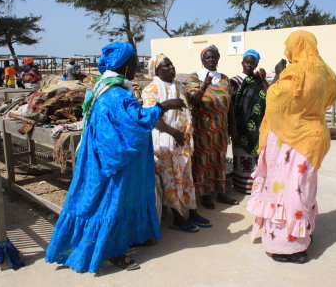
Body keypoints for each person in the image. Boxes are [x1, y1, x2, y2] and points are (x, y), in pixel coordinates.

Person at [45, 42, 185, 273]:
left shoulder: (105, 87)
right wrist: (163, 106)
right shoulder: (117, 94)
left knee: (111, 199)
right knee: (112, 202)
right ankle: (113, 251)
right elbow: (137, 120)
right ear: (125, 65)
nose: (136, 65)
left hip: (102, 156)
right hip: (114, 162)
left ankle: (130, 237)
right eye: (133, 62)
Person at [246, 30, 336, 263]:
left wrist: (279, 77)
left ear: (295, 47)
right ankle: (303, 232)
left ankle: (287, 245)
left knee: (287, 191)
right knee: (305, 188)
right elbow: (334, 94)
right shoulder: (326, 72)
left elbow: (276, 100)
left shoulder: (296, 71)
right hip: (314, 139)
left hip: (290, 140)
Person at [142, 54, 212, 233]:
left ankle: (192, 212)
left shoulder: (179, 86)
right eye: (167, 66)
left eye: (172, 64)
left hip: (183, 142)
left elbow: (193, 102)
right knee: (171, 180)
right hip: (165, 143)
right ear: (157, 71)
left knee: (187, 178)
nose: (172, 68)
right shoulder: (151, 90)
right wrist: (174, 133)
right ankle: (178, 217)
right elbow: (153, 118)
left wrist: (204, 87)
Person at [185, 45, 238, 209]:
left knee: (219, 160)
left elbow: (230, 104)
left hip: (220, 129)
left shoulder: (224, 79)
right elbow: (194, 101)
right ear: (202, 60)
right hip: (203, 129)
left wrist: (232, 126)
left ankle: (221, 192)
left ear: (218, 58)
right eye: (207, 57)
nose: (211, 60)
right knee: (203, 161)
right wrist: (204, 86)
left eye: (214, 57)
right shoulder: (195, 78)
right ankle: (205, 195)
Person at [230, 50, 268, 194]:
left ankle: (255, 187)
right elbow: (231, 104)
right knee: (241, 156)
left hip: (257, 127)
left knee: (256, 158)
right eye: (247, 62)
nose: (249, 65)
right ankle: (241, 186)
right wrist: (233, 125)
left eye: (253, 62)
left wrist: (263, 79)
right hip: (240, 125)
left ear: (256, 64)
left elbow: (270, 96)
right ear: (242, 63)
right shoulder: (235, 81)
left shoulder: (259, 80)